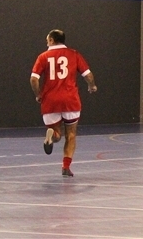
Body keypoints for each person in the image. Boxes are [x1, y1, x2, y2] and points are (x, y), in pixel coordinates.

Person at [30, 29, 97, 177]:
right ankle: (66, 167)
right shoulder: (74, 54)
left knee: (58, 134)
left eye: (47, 40)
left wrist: (38, 94)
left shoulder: (43, 57)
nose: (46, 43)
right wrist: (92, 86)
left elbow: (34, 79)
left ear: (52, 40)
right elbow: (88, 74)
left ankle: (52, 135)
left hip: (50, 101)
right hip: (70, 100)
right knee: (71, 134)